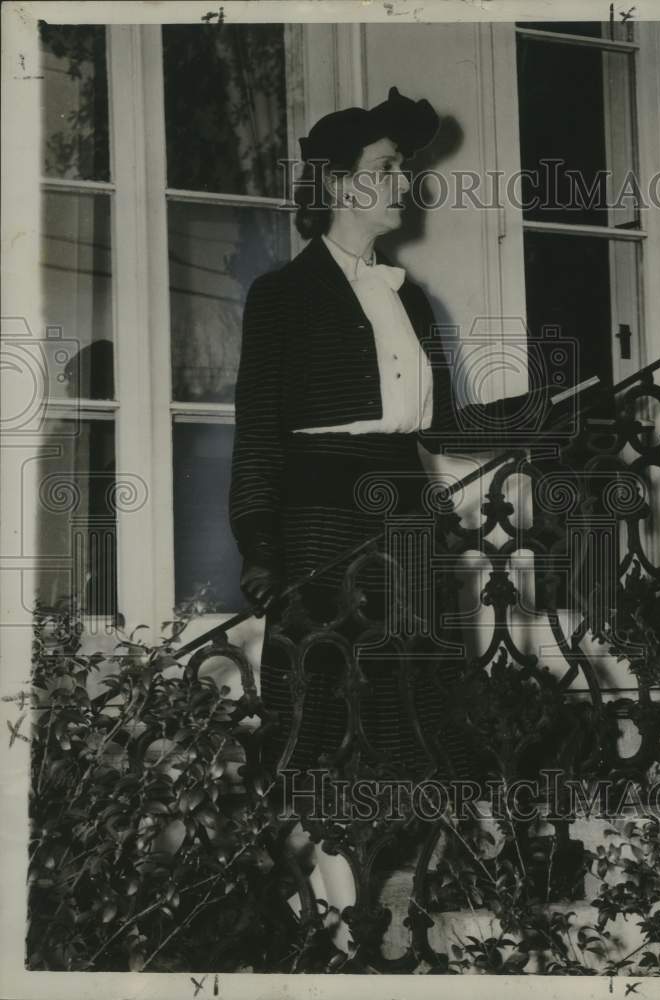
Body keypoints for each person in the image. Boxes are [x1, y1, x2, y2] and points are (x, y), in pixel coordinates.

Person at [229, 86, 536, 783]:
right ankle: (314, 876)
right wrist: (258, 544)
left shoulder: (408, 297)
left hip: (404, 511)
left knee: (413, 697)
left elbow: (441, 426)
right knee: (319, 706)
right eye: (387, 167)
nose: (404, 183)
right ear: (338, 181)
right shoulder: (281, 296)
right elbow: (257, 434)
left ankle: (420, 860)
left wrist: (546, 415)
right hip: (320, 521)